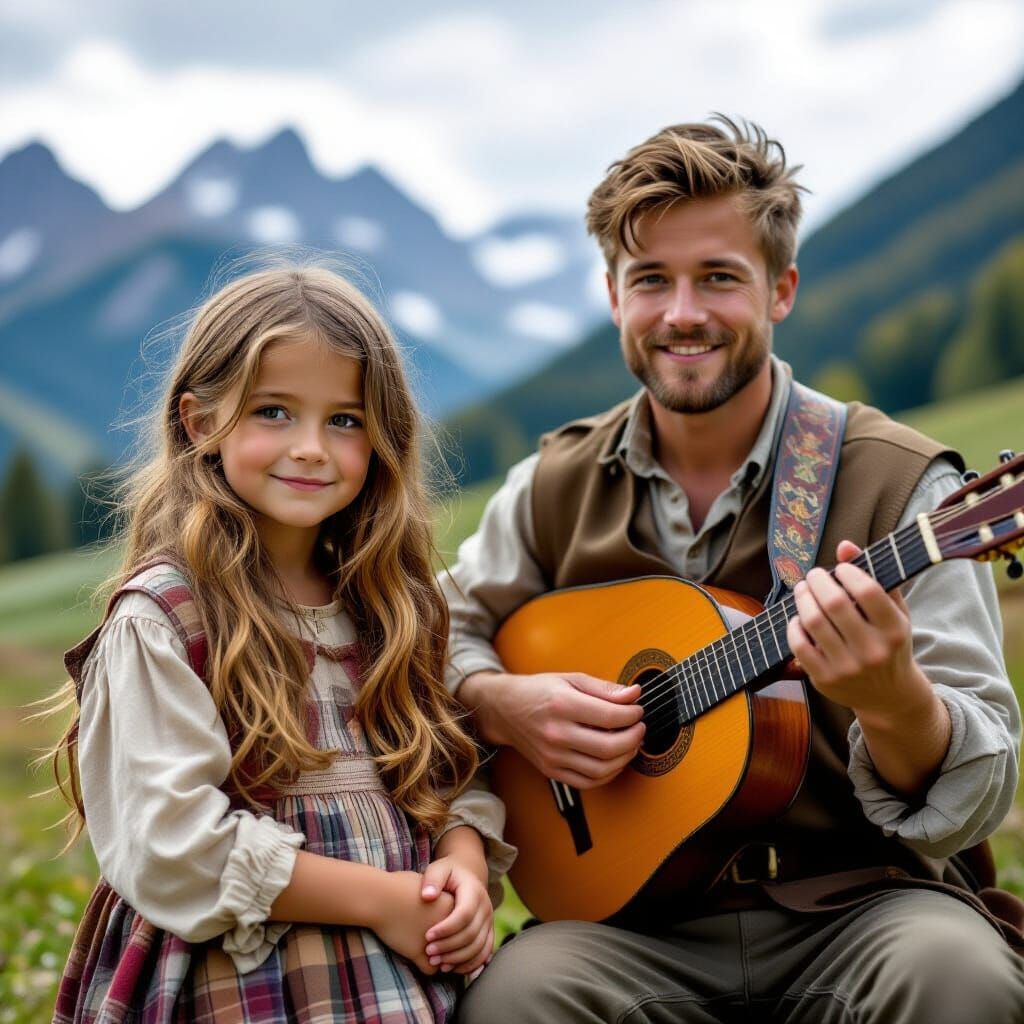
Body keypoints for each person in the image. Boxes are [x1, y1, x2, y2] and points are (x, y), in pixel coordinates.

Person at [442, 118, 1024, 1022]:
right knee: (515, 999)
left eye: (718, 277)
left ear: (781, 288)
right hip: (632, 930)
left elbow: (981, 794)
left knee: (960, 975)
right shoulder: (550, 486)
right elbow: (437, 629)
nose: (683, 313)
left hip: (864, 906)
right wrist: (499, 702)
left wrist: (895, 697)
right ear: (612, 296)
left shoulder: (908, 488)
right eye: (651, 281)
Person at [49, 265, 515, 1023]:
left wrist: (460, 862)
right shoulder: (166, 617)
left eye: (344, 420)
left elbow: (451, 773)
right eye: (274, 412)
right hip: (235, 980)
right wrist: (380, 901)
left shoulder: (397, 608)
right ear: (201, 422)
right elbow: (169, 844)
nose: (310, 448)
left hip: (401, 978)